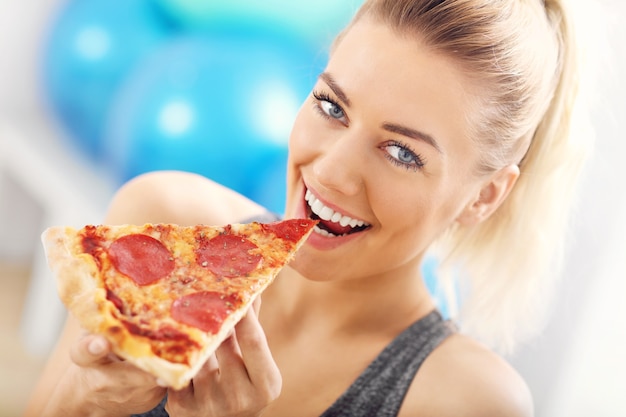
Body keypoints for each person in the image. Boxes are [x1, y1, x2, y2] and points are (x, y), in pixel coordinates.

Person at [24, 0, 591, 415]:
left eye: (402, 152)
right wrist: (84, 400)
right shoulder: (163, 223)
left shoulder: (464, 400)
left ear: (485, 195)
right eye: (332, 106)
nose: (330, 171)